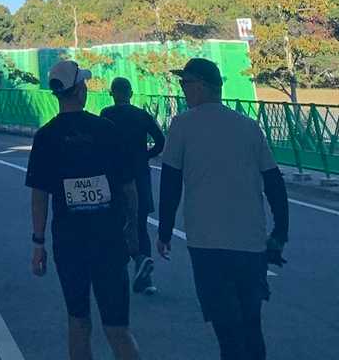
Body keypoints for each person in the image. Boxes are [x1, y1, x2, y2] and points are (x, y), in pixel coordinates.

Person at [157, 57, 288, 359]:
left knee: (227, 331)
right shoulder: (248, 126)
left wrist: (164, 232)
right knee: (251, 325)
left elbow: (170, 183)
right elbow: (274, 182)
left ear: (201, 86)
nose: (183, 89)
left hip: (207, 243)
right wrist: (280, 231)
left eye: (186, 83)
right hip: (250, 242)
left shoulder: (182, 125)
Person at [26, 59, 141, 360]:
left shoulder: (46, 136)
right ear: (79, 90)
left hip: (69, 242)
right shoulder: (106, 130)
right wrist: (133, 232)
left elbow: (39, 195)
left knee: (78, 321)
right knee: (118, 328)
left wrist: (38, 243)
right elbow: (128, 188)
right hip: (109, 239)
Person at [101, 77, 165, 294]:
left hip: (115, 177)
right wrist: (144, 156)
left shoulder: (106, 114)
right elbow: (160, 141)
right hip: (139, 176)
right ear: (130, 93)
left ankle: (119, 275)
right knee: (140, 225)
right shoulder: (141, 115)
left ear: (112, 93)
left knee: (116, 225)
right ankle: (145, 276)